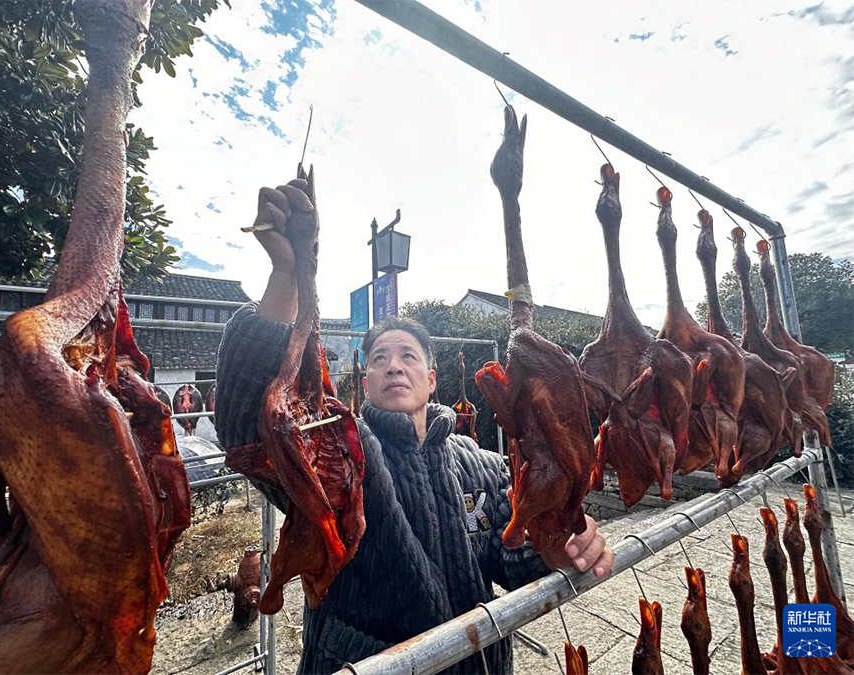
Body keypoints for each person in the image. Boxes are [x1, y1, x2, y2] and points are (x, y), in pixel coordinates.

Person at [215, 176, 614, 675]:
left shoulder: (485, 469)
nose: (393, 366)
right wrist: (288, 276)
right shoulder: (339, 454)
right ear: (366, 379)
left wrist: (561, 547)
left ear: (431, 381)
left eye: (407, 356)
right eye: (379, 358)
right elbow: (249, 427)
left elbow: (512, 561)